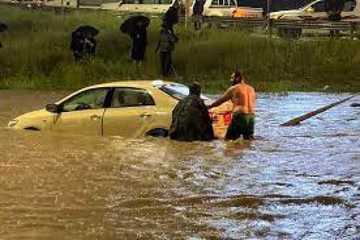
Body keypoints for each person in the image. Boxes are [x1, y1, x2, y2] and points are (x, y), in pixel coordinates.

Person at [208, 70, 256, 140]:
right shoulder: (252, 89)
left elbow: (220, 101)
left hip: (240, 116)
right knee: (248, 140)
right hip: (251, 117)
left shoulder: (234, 88)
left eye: (232, 78)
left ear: (237, 78)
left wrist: (209, 106)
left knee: (228, 140)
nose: (230, 80)